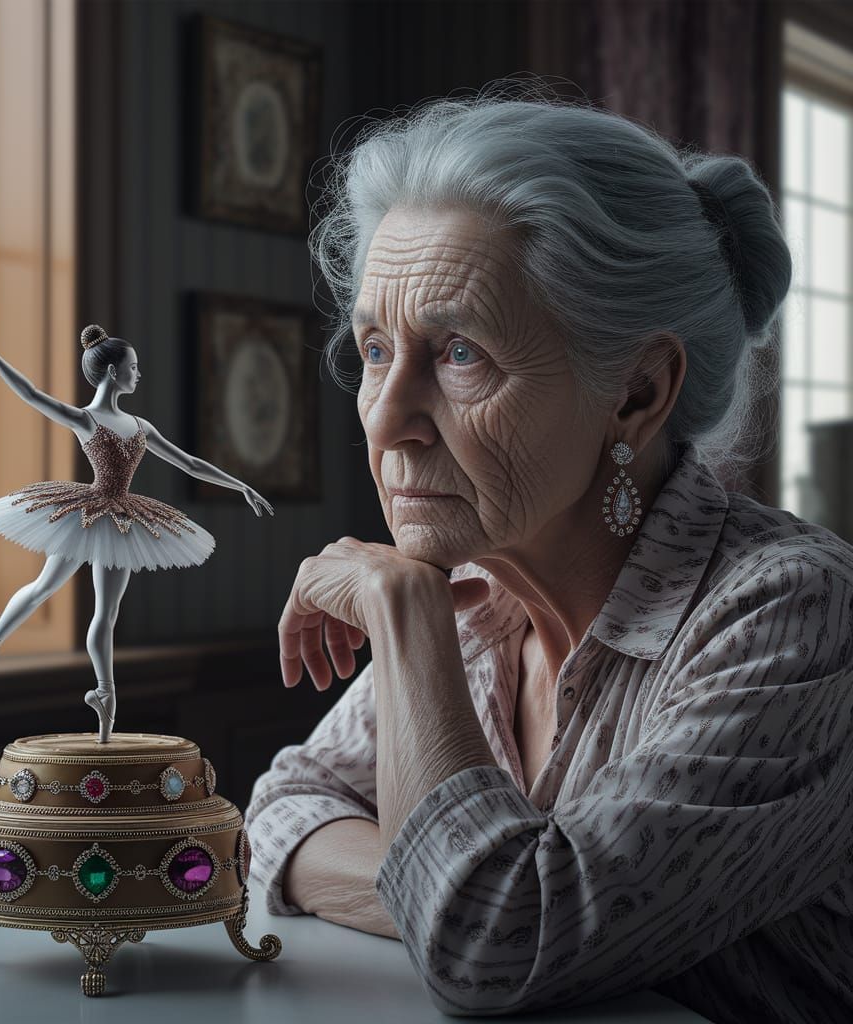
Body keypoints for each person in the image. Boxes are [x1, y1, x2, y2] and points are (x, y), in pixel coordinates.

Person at [243, 83, 853, 1023]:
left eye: (458, 354)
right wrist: (449, 887)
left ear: (638, 393)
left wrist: (407, 620)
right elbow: (285, 809)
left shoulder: (793, 614)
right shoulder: (484, 597)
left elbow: (490, 942)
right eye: (374, 349)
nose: (388, 419)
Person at [0, 323, 273, 741]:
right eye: (133, 367)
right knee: (44, 586)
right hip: (86, 512)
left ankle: (105, 694)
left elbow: (190, 463)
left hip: (121, 519)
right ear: (111, 372)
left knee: (107, 612)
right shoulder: (86, 419)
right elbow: (32, 396)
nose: (138, 374)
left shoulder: (140, 426)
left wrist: (241, 485)